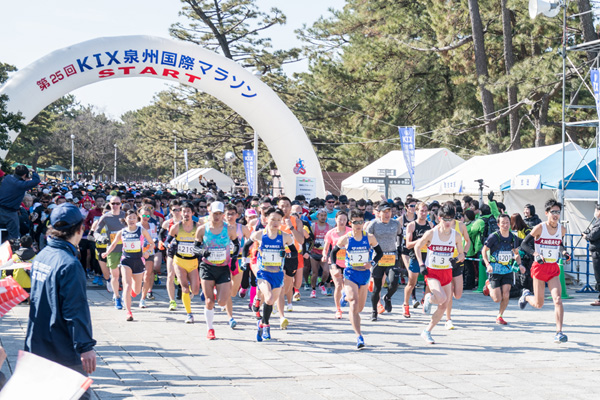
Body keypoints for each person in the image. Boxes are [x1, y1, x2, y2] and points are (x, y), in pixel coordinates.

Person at [25, 203, 96, 399]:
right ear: (80, 229)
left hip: (38, 342)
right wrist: (85, 346)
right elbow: (75, 309)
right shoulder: (69, 263)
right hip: (62, 347)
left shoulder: (42, 256)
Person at [519, 199, 570, 343]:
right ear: (547, 213)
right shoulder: (539, 228)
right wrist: (535, 254)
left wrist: (564, 252)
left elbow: (558, 243)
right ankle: (527, 296)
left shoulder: (562, 229)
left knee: (558, 300)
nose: (555, 215)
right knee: (539, 304)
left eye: (558, 212)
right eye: (553, 212)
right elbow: (524, 244)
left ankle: (559, 332)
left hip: (553, 268)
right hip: (540, 267)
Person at [330, 209, 383, 349]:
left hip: (364, 275)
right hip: (350, 274)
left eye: (361, 222)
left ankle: (345, 295)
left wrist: (371, 263)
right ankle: (359, 336)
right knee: (354, 303)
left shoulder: (369, 237)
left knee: (358, 308)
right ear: (350, 223)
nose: (358, 225)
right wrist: (334, 267)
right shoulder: (346, 238)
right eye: (355, 222)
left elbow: (379, 253)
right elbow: (333, 253)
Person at [414, 203, 465, 344]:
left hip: (447, 272)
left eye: (451, 219)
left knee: (444, 305)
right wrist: (421, 264)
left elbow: (462, 254)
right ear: (439, 218)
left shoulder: (456, 235)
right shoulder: (431, 233)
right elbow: (417, 247)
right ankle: (429, 298)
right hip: (432, 272)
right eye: (445, 219)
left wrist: (457, 259)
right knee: (441, 298)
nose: (448, 222)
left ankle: (427, 331)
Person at [249, 207, 297, 341]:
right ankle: (266, 325)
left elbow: (293, 253)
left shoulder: (285, 237)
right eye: (272, 219)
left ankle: (263, 322)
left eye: (278, 220)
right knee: (269, 298)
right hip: (263, 273)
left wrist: (285, 254)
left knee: (270, 302)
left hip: (278, 274)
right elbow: (247, 246)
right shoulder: (259, 235)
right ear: (265, 220)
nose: (275, 222)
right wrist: (245, 261)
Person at [194, 201, 240, 340]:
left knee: (221, 302)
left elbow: (237, 245)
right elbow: (195, 249)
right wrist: (203, 252)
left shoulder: (230, 229)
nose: (217, 216)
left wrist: (233, 258)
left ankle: (215, 290)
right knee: (209, 302)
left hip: (223, 267)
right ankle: (210, 329)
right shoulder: (202, 229)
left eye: (220, 214)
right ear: (210, 213)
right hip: (207, 267)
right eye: (215, 213)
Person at [102, 209, 155, 321]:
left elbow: (152, 243)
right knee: (126, 284)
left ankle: (132, 292)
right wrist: (107, 253)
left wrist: (147, 252)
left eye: (134, 218)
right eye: (129, 218)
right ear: (125, 219)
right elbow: (114, 244)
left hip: (138, 261)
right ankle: (128, 312)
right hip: (126, 260)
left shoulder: (141, 230)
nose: (131, 220)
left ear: (137, 219)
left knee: (137, 290)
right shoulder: (122, 232)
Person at [481, 214, 525, 325]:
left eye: (507, 223)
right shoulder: (493, 237)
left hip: (507, 270)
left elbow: (516, 253)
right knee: (497, 298)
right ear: (498, 224)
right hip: (495, 270)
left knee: (506, 294)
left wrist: (520, 265)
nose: (505, 225)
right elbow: (484, 251)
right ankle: (488, 285)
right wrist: (487, 264)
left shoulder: (513, 238)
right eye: (503, 223)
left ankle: (500, 316)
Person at [367, 202, 402, 320]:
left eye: (389, 212)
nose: (387, 215)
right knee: (377, 287)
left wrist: (399, 246)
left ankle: (388, 297)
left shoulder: (396, 223)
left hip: (392, 256)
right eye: (385, 212)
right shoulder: (373, 224)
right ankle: (374, 311)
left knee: (394, 282)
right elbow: (367, 238)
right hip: (378, 257)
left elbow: (400, 234)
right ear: (379, 213)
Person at [169, 201, 199, 322]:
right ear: (181, 213)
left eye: (188, 211)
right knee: (185, 288)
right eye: (184, 211)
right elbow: (167, 241)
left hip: (193, 262)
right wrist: (169, 244)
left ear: (192, 213)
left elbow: (204, 241)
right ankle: (189, 314)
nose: (186, 214)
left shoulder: (198, 227)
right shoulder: (176, 227)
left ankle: (190, 291)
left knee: (195, 290)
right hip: (179, 261)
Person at [94, 196, 126, 308]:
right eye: (113, 203)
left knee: (126, 276)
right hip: (112, 250)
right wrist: (101, 238)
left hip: (126, 250)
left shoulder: (125, 216)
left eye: (117, 203)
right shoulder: (105, 217)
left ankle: (125, 296)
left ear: (121, 204)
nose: (115, 205)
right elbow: (96, 232)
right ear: (110, 204)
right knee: (115, 276)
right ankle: (117, 297)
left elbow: (135, 227)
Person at [403, 202, 433, 318]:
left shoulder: (430, 224)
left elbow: (431, 242)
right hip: (415, 256)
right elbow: (408, 244)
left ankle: (425, 301)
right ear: (416, 212)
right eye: (421, 211)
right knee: (411, 283)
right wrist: (421, 240)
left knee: (430, 282)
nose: (424, 213)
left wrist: (427, 241)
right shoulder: (411, 225)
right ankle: (406, 305)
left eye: (426, 211)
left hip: (427, 257)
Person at [0, 165, 41, 240]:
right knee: (14, 236)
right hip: (10, 213)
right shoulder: (21, 185)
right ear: (25, 174)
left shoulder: (8, 177)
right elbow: (36, 181)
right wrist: (33, 172)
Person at [323, 211, 351, 319]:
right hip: (334, 262)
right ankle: (338, 309)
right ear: (336, 220)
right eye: (340, 219)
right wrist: (324, 255)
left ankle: (345, 296)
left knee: (347, 286)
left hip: (348, 262)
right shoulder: (331, 233)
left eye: (344, 219)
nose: (342, 222)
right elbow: (326, 248)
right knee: (338, 285)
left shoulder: (350, 232)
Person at [582, 204, 600, 306]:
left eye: (596, 210)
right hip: (597, 251)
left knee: (598, 276)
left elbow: (593, 236)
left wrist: (586, 236)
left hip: (598, 252)